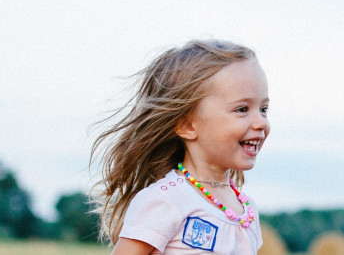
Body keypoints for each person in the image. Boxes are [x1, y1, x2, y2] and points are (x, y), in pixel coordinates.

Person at [91, 39, 270, 254]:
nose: (261, 122)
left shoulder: (248, 211)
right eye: (242, 109)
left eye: (263, 109)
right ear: (187, 125)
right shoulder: (166, 200)